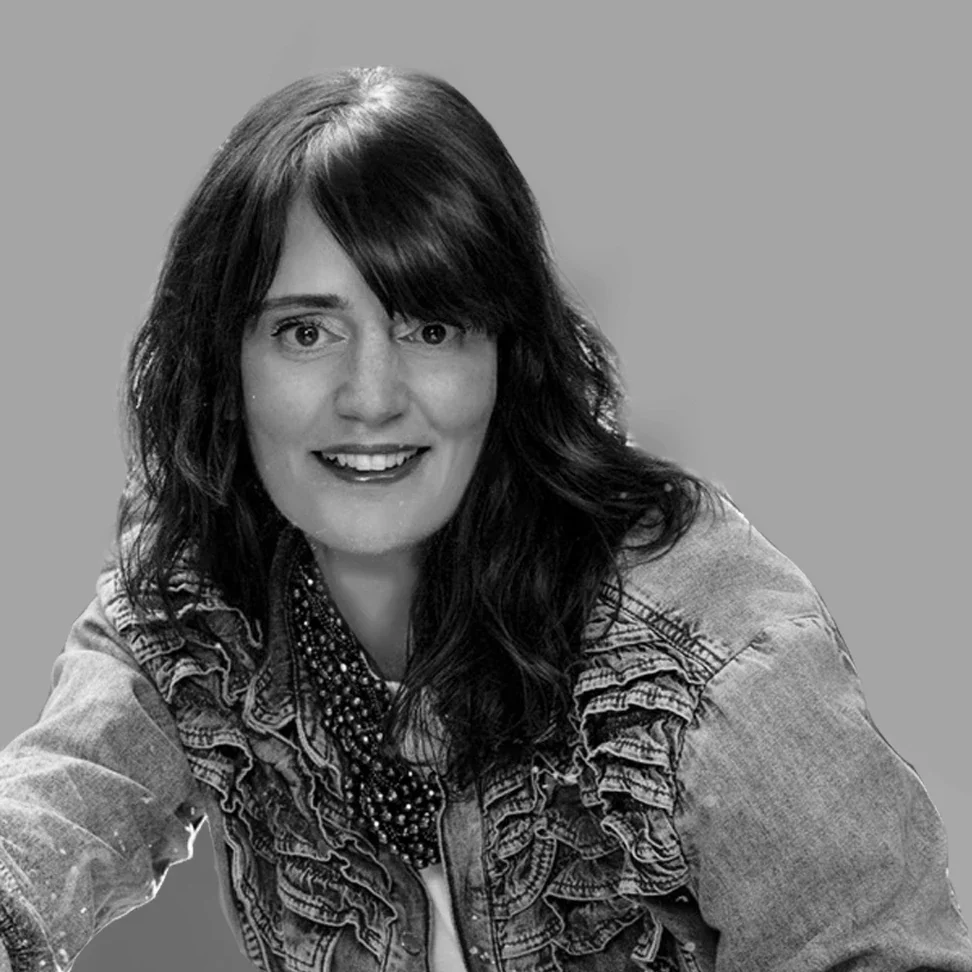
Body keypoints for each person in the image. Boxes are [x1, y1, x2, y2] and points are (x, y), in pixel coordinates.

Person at [0, 66, 969, 972]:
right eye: (305, 332)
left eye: (430, 327)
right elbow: (68, 801)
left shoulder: (715, 653)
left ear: (507, 357)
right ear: (226, 364)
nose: (371, 397)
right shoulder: (196, 594)